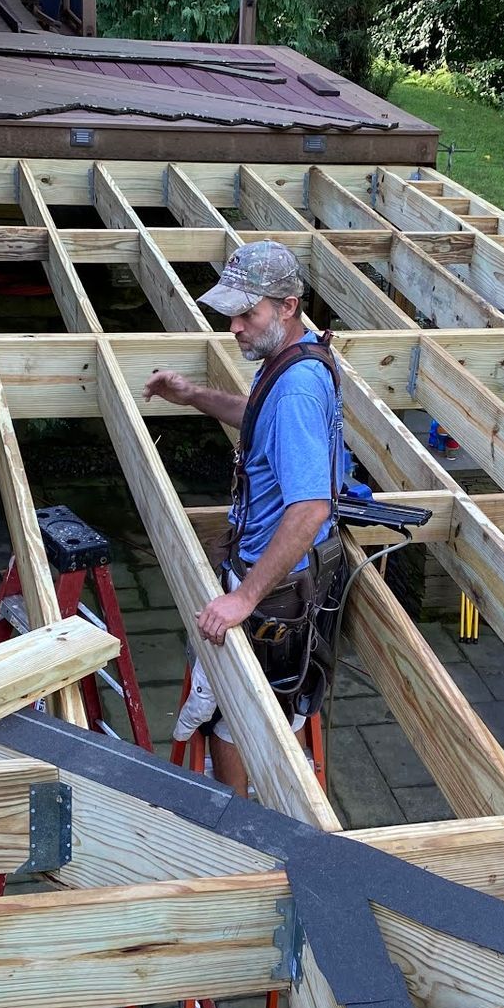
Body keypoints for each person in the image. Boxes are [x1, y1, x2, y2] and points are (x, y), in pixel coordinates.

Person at [144, 241, 351, 795]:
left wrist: (245, 597)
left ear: (288, 305)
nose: (233, 327)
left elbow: (309, 508)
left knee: (236, 715)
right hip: (276, 577)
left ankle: (241, 825)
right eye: (231, 312)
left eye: (247, 313)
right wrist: (193, 397)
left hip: (277, 589)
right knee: (244, 707)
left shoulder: (298, 391)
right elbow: (254, 415)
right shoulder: (289, 356)